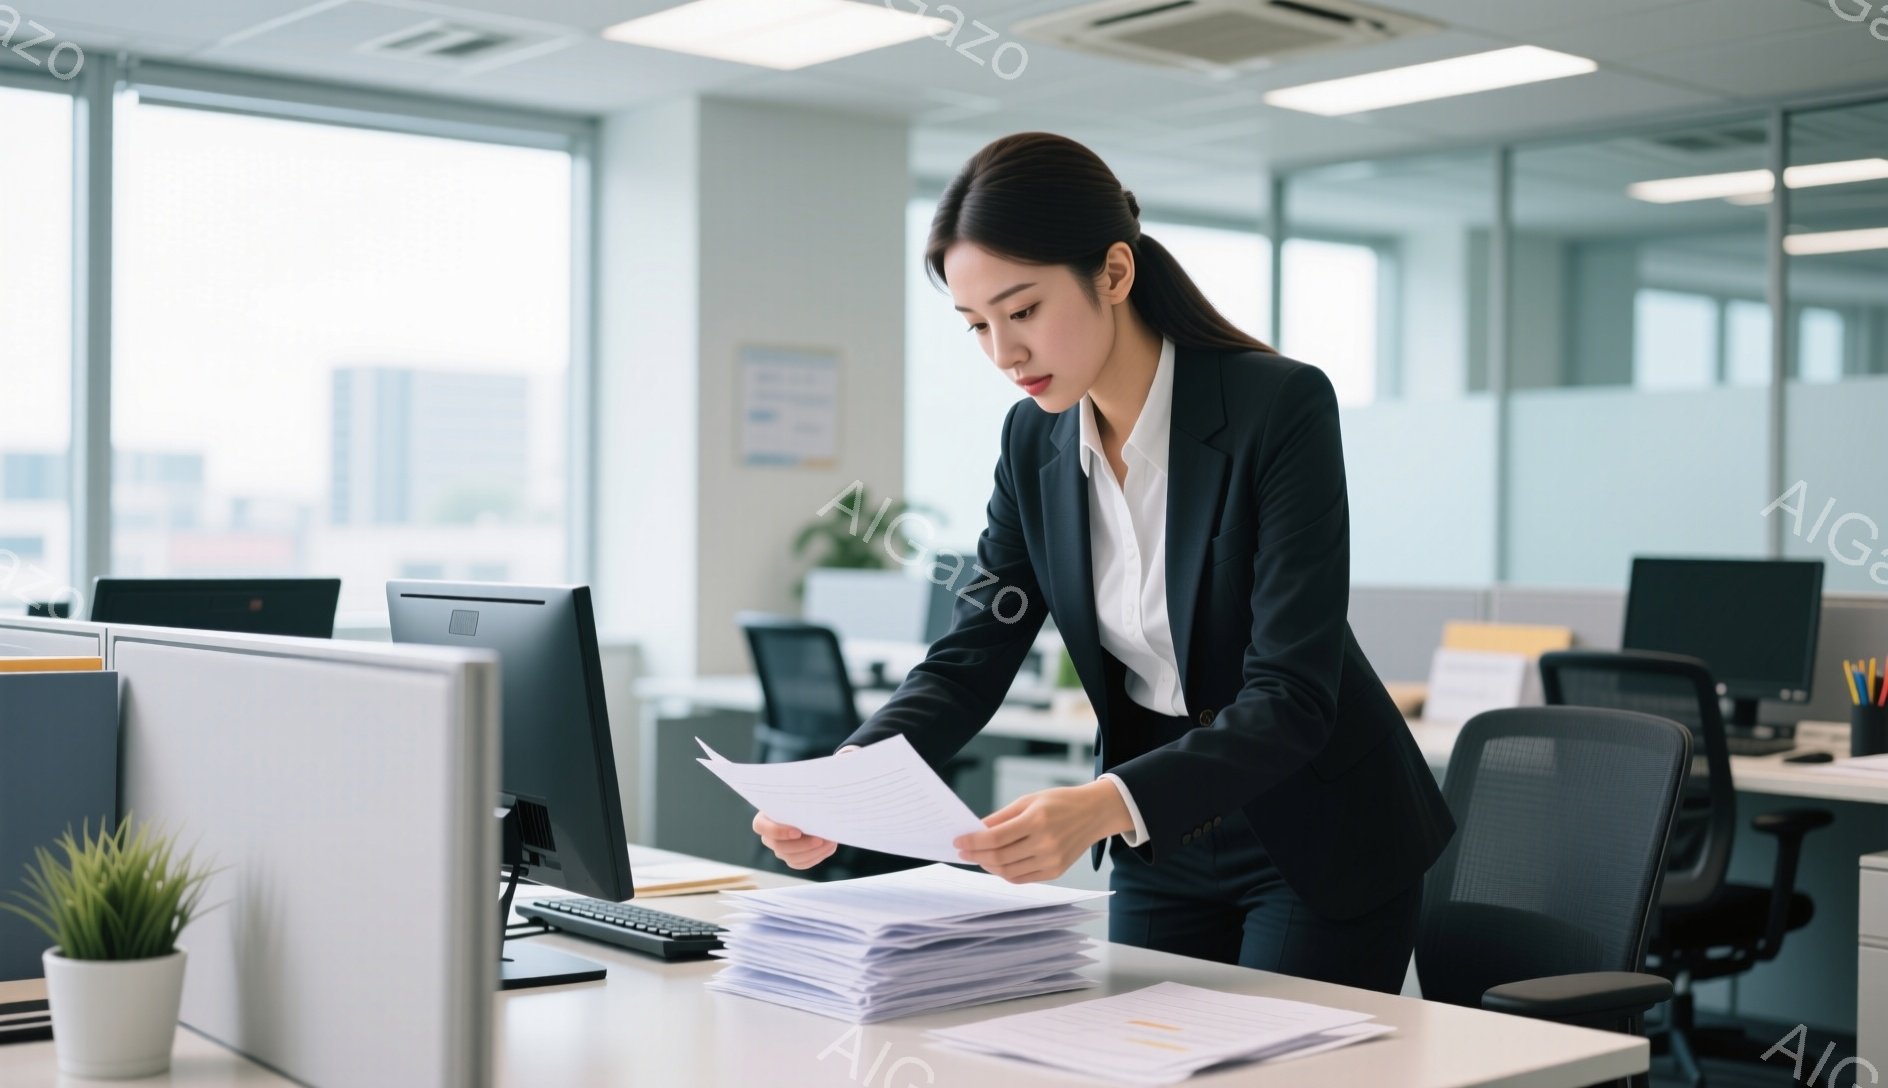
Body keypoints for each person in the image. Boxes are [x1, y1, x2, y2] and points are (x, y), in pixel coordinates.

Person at [752, 132, 1453, 992]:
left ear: (1114, 274)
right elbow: (980, 646)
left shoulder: (1279, 407)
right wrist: (850, 777)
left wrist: (1101, 806)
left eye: (1023, 311)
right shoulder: (1034, 438)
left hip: (1315, 828)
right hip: (1163, 835)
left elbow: (1293, 698)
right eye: (977, 325)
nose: (1003, 353)